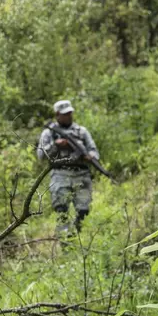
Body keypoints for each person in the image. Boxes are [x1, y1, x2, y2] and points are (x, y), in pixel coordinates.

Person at [37, 100, 99, 235]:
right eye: (65, 114)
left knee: (83, 210)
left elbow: (94, 151)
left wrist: (89, 156)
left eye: (70, 113)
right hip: (60, 175)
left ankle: (77, 234)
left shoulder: (81, 131)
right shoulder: (49, 133)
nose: (69, 116)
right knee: (61, 210)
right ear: (57, 115)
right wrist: (56, 145)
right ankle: (65, 240)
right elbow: (41, 155)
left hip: (81, 175)